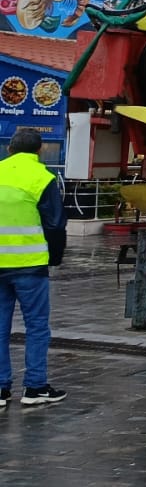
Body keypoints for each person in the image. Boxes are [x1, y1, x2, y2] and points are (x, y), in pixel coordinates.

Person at [0, 128, 67, 408]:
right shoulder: (43, 178)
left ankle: (1, 390)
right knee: (37, 327)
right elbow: (55, 224)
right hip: (29, 265)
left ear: (9, 149)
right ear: (39, 151)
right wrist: (54, 257)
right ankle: (35, 387)